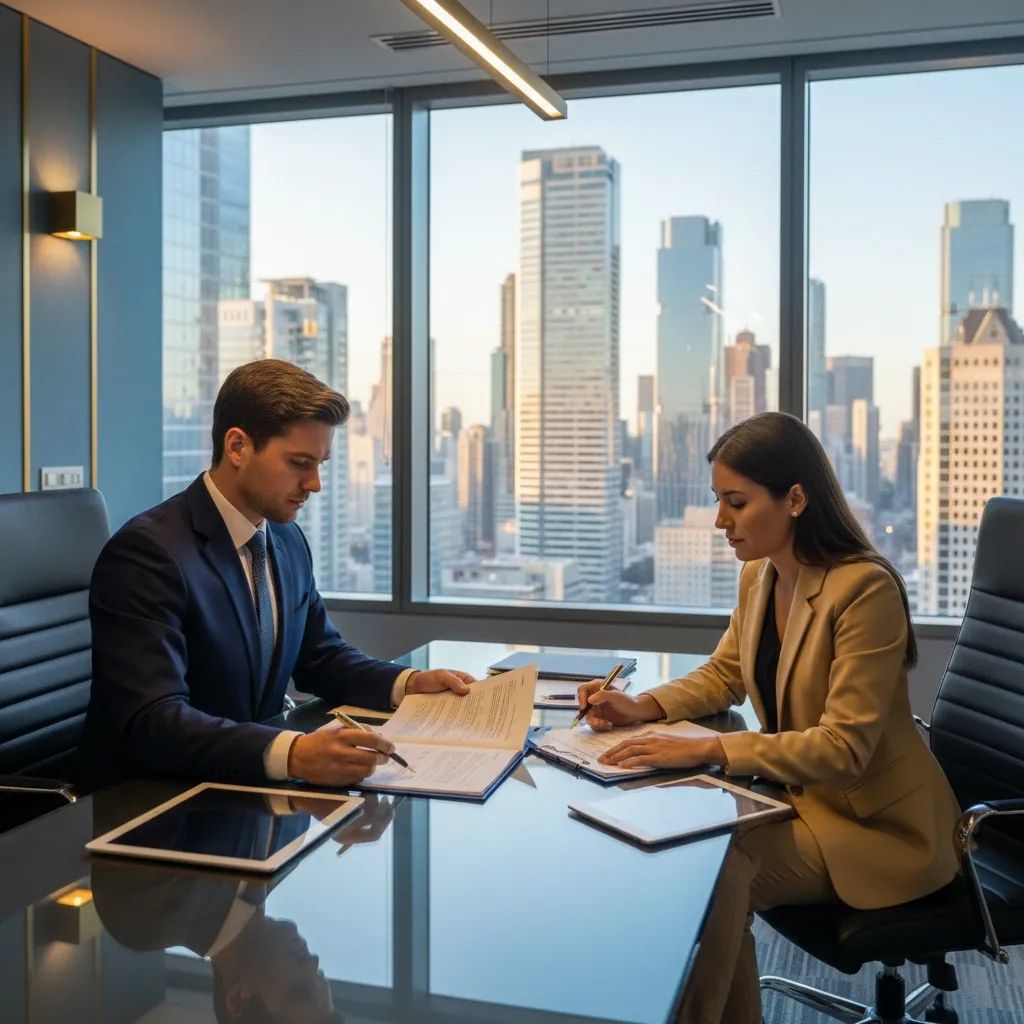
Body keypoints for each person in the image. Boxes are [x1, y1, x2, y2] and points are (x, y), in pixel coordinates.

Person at [575, 412, 961, 1024]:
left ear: (796, 499)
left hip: (877, 825)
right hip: (797, 799)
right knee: (699, 858)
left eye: (736, 502)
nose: (721, 520)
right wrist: (642, 707)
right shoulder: (761, 574)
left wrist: (710, 751)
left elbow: (842, 749)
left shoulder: (865, 590)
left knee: (724, 871)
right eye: (717, 502)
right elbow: (727, 672)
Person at [80, 359, 474, 791]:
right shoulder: (148, 555)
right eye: (299, 462)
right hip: (150, 801)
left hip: (245, 789)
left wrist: (408, 683)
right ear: (237, 447)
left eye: (321, 463)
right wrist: (294, 754)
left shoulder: (285, 540)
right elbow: (152, 720)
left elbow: (321, 657)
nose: (315, 484)